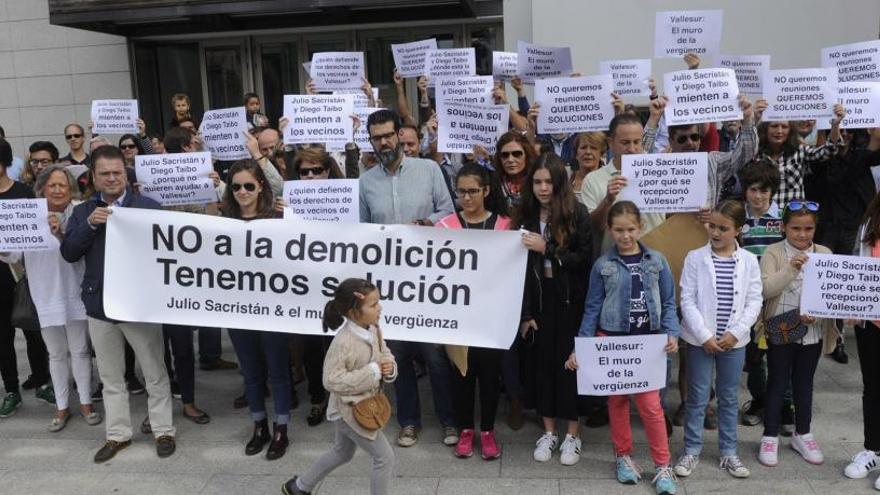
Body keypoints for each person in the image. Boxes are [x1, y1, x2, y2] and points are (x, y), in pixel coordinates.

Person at [60, 145, 175, 463]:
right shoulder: (83, 212)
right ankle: (118, 434)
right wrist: (90, 225)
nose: (112, 179)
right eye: (105, 174)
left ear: (126, 174)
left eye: (118, 173)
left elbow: (167, 253)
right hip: (100, 305)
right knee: (111, 375)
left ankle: (163, 430)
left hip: (139, 304)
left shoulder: (148, 207)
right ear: (93, 178)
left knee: (154, 371)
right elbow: (69, 252)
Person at [359, 109, 456, 447]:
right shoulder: (366, 181)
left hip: (428, 282)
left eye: (388, 134)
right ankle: (409, 422)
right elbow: (362, 233)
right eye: (376, 137)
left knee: (435, 356)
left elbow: (449, 211)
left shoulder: (429, 170)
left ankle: (449, 421)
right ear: (370, 141)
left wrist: (427, 225)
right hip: (389, 287)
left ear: (400, 134)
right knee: (395, 355)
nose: (383, 142)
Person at [567, 200, 679, 494]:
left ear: (640, 227)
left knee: (651, 407)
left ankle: (662, 465)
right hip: (612, 342)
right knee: (616, 403)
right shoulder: (603, 265)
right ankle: (624, 457)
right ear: (610, 229)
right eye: (619, 230)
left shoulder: (657, 260)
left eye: (630, 229)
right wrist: (581, 346)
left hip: (648, 345)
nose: (625, 235)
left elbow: (668, 301)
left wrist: (671, 332)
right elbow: (591, 308)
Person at [0, 165, 101, 431]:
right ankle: (61, 405)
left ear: (71, 189)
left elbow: (84, 245)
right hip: (45, 292)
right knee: (55, 353)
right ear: (42, 188)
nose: (57, 190)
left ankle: (87, 402)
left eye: (63, 185)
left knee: (80, 350)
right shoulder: (28, 214)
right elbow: (14, 256)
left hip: (76, 289)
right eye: (52, 185)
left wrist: (61, 231)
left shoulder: (81, 210)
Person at [283, 278, 397, 495]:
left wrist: (389, 366)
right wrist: (372, 372)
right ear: (354, 312)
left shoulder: (373, 328)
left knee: (342, 452)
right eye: (373, 305)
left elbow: (384, 352)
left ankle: (299, 487)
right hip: (349, 412)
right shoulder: (343, 342)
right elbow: (331, 380)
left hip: (362, 406)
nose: (379, 307)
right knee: (385, 458)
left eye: (378, 302)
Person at [674, 200, 763, 479]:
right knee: (697, 396)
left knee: (728, 396)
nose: (715, 232)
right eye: (712, 226)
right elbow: (686, 300)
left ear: (737, 230)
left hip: (733, 342)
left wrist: (735, 333)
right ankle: (691, 450)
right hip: (701, 340)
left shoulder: (748, 261)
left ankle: (728, 452)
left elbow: (754, 299)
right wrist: (704, 335)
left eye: (723, 228)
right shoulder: (695, 257)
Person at [516, 153, 592, 466]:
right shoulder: (524, 215)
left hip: (570, 301)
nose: (543, 188)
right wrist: (525, 313)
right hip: (539, 299)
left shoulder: (578, 213)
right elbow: (515, 270)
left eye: (549, 181)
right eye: (537, 181)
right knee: (542, 366)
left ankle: (572, 434)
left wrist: (548, 249)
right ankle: (549, 431)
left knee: (570, 366)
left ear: (559, 182)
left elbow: (584, 258)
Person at [436, 164, 510, 460]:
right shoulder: (445, 226)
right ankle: (466, 429)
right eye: (461, 191)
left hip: (491, 318)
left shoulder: (505, 225)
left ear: (486, 191)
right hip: (459, 319)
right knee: (461, 375)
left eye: (472, 191)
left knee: (490, 377)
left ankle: (489, 431)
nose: (466, 197)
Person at [756, 200, 836, 467]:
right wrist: (791, 268)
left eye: (808, 228)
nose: (802, 234)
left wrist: (820, 313)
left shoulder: (825, 253)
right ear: (783, 227)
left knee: (804, 383)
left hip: (811, 332)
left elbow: (832, 295)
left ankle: (803, 432)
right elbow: (766, 290)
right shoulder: (773, 252)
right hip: (780, 328)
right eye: (796, 228)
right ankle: (769, 435)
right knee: (778, 380)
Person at [221, 159, 291, 460]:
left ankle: (282, 428)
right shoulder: (221, 221)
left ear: (261, 185)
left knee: (277, 371)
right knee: (250, 372)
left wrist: (294, 216)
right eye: (236, 187)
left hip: (272, 310)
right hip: (238, 310)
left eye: (249, 185)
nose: (243, 192)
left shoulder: (277, 218)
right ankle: (259, 423)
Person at [0, 138, 53, 418]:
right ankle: (11, 389)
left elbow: (35, 232)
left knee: (33, 330)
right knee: (2, 337)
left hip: (24, 273)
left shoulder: (24, 193)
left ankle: (42, 381)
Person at [736, 161, 791, 429]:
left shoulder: (783, 220)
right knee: (754, 355)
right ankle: (759, 400)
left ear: (773, 192)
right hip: (749, 301)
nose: (758, 196)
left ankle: (785, 404)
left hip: (779, 298)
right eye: (753, 190)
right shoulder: (738, 218)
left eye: (764, 191)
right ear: (745, 190)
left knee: (782, 351)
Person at [579, 114, 666, 251]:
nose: (632, 149)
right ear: (610, 143)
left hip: (656, 261)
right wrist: (607, 201)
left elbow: (672, 214)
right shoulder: (593, 180)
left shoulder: (661, 172)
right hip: (614, 265)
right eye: (625, 143)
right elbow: (591, 228)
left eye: (637, 142)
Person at [846, 188, 880, 491]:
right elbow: (859, 267)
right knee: (872, 388)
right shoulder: (869, 223)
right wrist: (854, 306)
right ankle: (873, 448)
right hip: (872, 322)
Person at [754, 102, 846, 208]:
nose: (779, 131)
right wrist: (754, 118)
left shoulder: (799, 151)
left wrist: (835, 125)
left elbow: (828, 150)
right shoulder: (755, 154)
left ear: (790, 130)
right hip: (764, 217)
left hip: (792, 217)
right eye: (774, 126)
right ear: (766, 129)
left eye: (784, 127)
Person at [493, 131, 539, 209]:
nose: (510, 160)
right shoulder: (494, 184)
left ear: (526, 155)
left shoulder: (537, 180)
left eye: (517, 154)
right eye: (505, 155)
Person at [569, 132, 606, 205]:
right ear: (576, 154)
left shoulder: (609, 178)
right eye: (583, 147)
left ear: (601, 154)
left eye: (593, 148)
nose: (588, 152)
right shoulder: (566, 177)